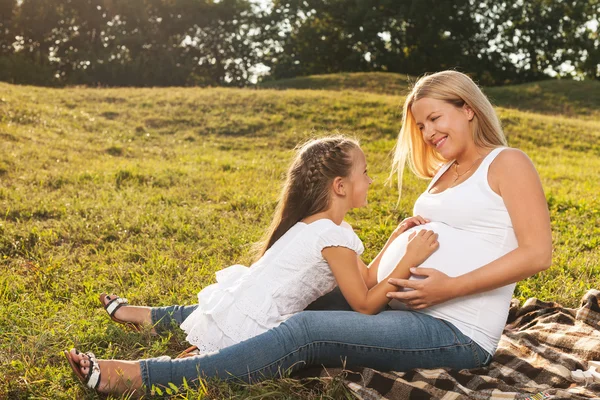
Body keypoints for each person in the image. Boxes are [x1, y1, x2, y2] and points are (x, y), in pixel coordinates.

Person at [64, 70, 552, 397]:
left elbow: (537, 253)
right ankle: (165, 319)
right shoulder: (443, 176)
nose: (427, 133)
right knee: (284, 292)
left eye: (434, 119)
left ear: (467, 108)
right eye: (420, 125)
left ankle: (145, 376)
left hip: (453, 329)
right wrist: (396, 244)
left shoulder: (507, 163)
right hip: (400, 302)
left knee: (305, 330)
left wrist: (449, 287)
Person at [65, 135, 439, 393]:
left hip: (238, 313)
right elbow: (365, 303)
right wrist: (409, 259)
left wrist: (395, 237)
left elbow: (367, 278)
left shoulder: (322, 226)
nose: (371, 180)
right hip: (257, 329)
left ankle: (161, 347)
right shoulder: (333, 236)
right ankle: (127, 375)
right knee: (201, 373)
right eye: (365, 172)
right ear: (341, 186)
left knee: (202, 364)